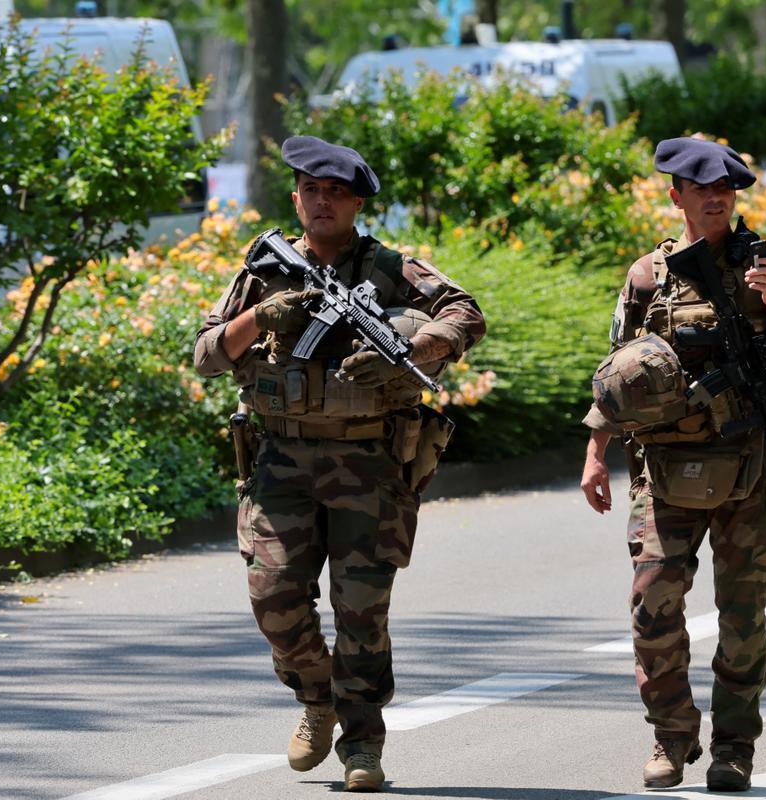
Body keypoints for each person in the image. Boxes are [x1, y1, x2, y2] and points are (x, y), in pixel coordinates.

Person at [193, 135, 485, 792]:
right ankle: (315, 699)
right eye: (311, 191)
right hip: (279, 464)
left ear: (355, 202)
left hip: (368, 467)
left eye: (337, 193)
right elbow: (207, 353)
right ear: (296, 197)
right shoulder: (262, 271)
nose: (322, 203)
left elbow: (467, 313)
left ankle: (361, 746)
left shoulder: (390, 267)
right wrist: (260, 316)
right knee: (273, 600)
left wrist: (420, 344)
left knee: (361, 615)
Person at [578, 137, 766, 791]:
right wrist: (595, 453)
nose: (716, 199)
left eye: (726, 191)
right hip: (664, 471)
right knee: (652, 606)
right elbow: (616, 374)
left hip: (749, 470)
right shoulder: (646, 277)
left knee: (742, 616)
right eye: (701, 190)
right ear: (677, 196)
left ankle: (734, 747)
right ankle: (671, 734)